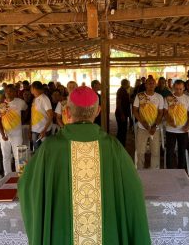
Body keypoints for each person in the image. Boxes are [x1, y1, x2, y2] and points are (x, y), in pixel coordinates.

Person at [18, 86, 151, 245]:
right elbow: (133, 189)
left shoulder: (50, 148)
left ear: (67, 111)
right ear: (98, 111)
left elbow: (27, 185)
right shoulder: (113, 147)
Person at [0, 84, 28, 175]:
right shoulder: (0, 105)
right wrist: (2, 134)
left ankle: (22, 175)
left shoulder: (20, 102)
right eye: (7, 91)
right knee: (6, 156)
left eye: (11, 91)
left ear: (15, 92)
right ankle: (7, 175)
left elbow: (26, 109)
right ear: (4, 93)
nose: (9, 93)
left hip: (17, 133)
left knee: (19, 155)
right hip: (5, 134)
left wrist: (23, 120)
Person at [133, 77, 164, 169]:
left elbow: (161, 113)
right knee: (140, 151)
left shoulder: (159, 97)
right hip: (142, 128)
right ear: (145, 85)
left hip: (155, 129)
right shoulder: (140, 96)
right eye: (149, 83)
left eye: (153, 83)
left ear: (155, 85)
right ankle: (140, 170)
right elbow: (135, 110)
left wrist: (155, 126)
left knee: (155, 151)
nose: (151, 85)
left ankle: (154, 170)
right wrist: (143, 123)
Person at [164, 80, 189, 169]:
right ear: (173, 88)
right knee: (170, 151)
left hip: (183, 129)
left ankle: (181, 170)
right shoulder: (168, 98)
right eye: (176, 89)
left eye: (180, 89)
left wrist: (187, 125)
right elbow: (165, 112)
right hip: (170, 129)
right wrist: (169, 121)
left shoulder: (187, 99)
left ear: (184, 88)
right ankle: (170, 170)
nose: (178, 91)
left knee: (182, 151)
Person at [30, 81, 53, 151]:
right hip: (35, 129)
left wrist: (44, 130)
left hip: (43, 130)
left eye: (31, 88)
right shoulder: (35, 99)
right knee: (37, 152)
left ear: (34, 88)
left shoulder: (44, 99)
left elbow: (51, 115)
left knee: (44, 151)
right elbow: (33, 115)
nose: (31, 90)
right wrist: (30, 129)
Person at [115, 79, 131, 146]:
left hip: (124, 113)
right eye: (128, 83)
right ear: (125, 84)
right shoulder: (121, 91)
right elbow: (119, 103)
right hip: (121, 113)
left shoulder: (124, 90)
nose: (129, 85)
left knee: (123, 130)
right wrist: (122, 114)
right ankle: (119, 144)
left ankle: (121, 144)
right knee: (121, 130)